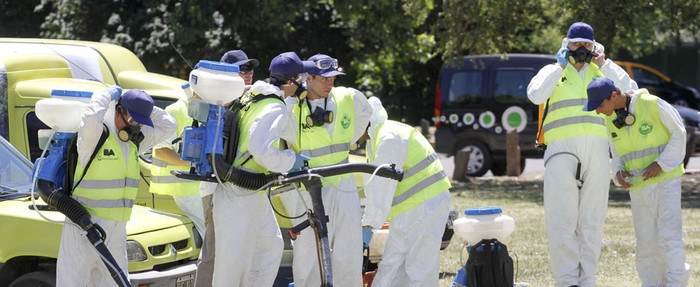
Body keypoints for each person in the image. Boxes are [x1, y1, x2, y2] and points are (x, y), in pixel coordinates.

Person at [526, 22, 638, 287]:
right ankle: (566, 281)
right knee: (562, 219)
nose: (581, 49)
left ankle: (586, 280)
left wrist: (606, 63)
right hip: (561, 150)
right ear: (567, 44)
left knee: (592, 220)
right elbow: (535, 95)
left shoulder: (602, 71)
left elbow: (630, 89)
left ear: (594, 45)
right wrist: (559, 66)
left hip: (598, 150)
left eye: (586, 44)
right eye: (576, 44)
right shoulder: (553, 70)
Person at [57, 86, 176, 286]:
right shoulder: (95, 136)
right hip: (83, 224)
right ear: (118, 110)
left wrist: (140, 102)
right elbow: (91, 116)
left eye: (139, 121)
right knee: (73, 282)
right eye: (132, 119)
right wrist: (108, 97)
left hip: (117, 229)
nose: (135, 125)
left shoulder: (134, 141)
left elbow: (169, 125)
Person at [210, 51, 308, 286]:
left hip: (251, 192)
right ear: (290, 80)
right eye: (300, 77)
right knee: (232, 267)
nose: (303, 81)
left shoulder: (255, 96)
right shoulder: (273, 106)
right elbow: (260, 148)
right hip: (241, 192)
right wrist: (289, 160)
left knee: (269, 247)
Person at [583, 77, 690, 286]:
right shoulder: (609, 117)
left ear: (613, 95)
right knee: (646, 243)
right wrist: (618, 173)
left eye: (599, 105)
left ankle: (676, 282)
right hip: (638, 185)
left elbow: (680, 132)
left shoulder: (652, 104)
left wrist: (661, 164)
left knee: (669, 236)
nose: (597, 111)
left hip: (665, 180)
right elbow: (616, 150)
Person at [281, 53, 372, 286]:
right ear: (308, 78)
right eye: (324, 78)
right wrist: (292, 100)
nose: (330, 82)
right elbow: (285, 135)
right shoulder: (294, 107)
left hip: (343, 182)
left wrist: (351, 140)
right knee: (308, 250)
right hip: (309, 184)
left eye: (333, 77)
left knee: (348, 245)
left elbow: (365, 114)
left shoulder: (348, 97)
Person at [356, 97, 452, 286]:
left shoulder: (388, 138)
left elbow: (381, 186)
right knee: (393, 266)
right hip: (413, 208)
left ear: (362, 123)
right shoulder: (379, 136)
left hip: (424, 206)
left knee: (419, 269)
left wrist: (368, 225)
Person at [192, 49, 261, 286]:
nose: (248, 75)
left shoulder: (245, 101)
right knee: (213, 253)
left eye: (250, 69)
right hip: (214, 190)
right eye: (242, 70)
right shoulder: (217, 99)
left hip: (232, 187)